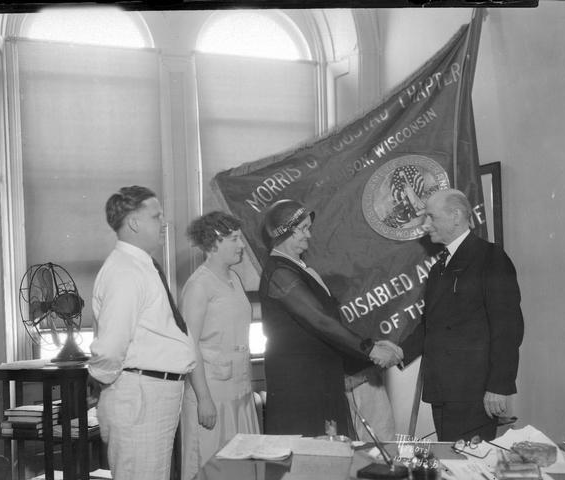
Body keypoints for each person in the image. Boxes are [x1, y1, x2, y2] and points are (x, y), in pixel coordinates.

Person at [377, 188, 524, 442]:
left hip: (475, 392)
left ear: (456, 216)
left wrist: (499, 386)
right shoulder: (439, 267)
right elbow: (431, 325)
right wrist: (400, 352)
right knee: (451, 464)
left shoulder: (491, 258)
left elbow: (508, 328)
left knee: (471, 467)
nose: (425, 225)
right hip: (443, 390)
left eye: (431, 217)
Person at [258, 199, 395, 438]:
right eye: (302, 229)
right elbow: (320, 320)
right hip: (300, 384)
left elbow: (330, 322)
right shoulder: (280, 273)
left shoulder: (295, 267)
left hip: (320, 378)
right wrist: (369, 349)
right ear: (284, 232)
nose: (308, 235)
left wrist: (361, 355)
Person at [88, 186, 196, 480]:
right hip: (140, 394)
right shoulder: (125, 271)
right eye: (156, 216)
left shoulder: (140, 264)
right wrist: (111, 382)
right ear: (133, 223)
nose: (164, 223)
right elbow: (110, 347)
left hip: (152, 392)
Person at [180, 211, 260, 480]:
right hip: (211, 395)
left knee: (242, 467)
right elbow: (189, 346)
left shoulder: (234, 279)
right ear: (215, 241)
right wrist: (204, 399)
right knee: (210, 467)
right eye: (235, 238)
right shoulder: (199, 286)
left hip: (240, 391)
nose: (241, 245)